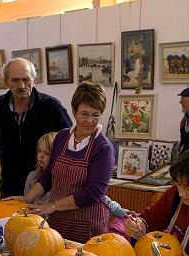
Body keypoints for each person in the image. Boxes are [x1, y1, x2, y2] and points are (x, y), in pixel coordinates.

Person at [6, 82, 115, 243]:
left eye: (95, 115)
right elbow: (48, 175)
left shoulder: (103, 148)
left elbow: (93, 192)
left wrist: (52, 206)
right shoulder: (62, 138)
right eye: (84, 114)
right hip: (57, 224)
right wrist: (27, 199)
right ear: (73, 110)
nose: (89, 121)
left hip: (86, 228)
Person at [0, 58, 72, 198]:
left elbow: (71, 143)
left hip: (43, 189)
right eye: (15, 80)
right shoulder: (0, 105)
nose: (21, 85)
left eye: (26, 79)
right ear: (6, 82)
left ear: (33, 79)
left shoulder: (51, 107)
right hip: (10, 187)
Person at [23, 131, 130, 231]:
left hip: (85, 226)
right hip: (51, 226)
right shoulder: (33, 177)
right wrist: (23, 201)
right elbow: (46, 179)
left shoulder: (103, 147)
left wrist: (119, 211)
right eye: (39, 151)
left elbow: (98, 195)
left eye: (46, 153)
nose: (41, 156)